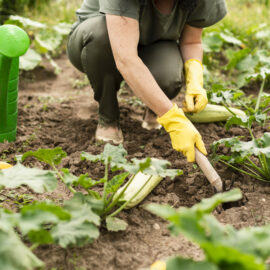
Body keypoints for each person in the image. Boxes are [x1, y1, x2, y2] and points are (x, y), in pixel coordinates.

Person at [67, 0, 227, 162]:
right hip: (99, 42)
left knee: (168, 76)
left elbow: (192, 41)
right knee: (101, 35)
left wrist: (195, 79)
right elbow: (126, 59)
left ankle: (154, 107)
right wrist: (173, 119)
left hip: (153, 43)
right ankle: (108, 116)